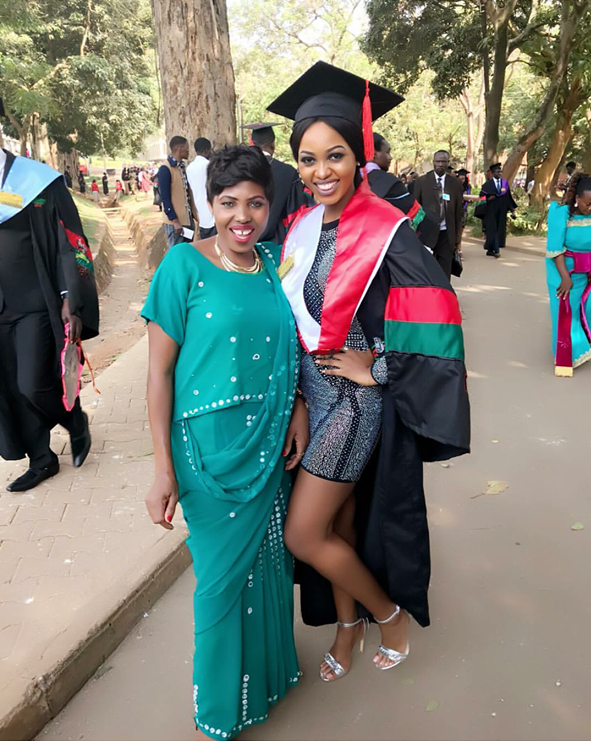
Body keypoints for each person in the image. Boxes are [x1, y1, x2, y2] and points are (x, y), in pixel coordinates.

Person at [267, 62, 470, 681]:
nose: (321, 171)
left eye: (335, 156)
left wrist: (378, 368)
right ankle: (347, 628)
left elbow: (439, 312)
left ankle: (388, 615)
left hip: (355, 405)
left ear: (358, 157)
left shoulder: (386, 228)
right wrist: (300, 401)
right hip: (314, 397)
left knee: (303, 534)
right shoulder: (300, 225)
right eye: (307, 159)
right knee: (339, 523)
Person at [142, 144, 307, 739]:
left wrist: (300, 407)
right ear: (210, 203)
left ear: (270, 206)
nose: (244, 216)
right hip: (205, 452)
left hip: (267, 439)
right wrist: (163, 469)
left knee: (268, 563)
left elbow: (294, 349)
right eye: (229, 202)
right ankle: (216, 708)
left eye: (256, 203)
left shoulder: (272, 265)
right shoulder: (182, 265)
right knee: (216, 582)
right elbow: (159, 376)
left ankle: (265, 679)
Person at [0, 142, 98, 492]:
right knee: (10, 386)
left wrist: (70, 296)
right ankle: (41, 459)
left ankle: (73, 419)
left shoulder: (35, 180)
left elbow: (68, 240)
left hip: (34, 303)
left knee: (31, 383)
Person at [546, 173, 591, 377]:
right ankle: (567, 354)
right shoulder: (561, 213)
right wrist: (565, 277)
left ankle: (586, 343)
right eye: (588, 204)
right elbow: (555, 249)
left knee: (588, 306)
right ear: (577, 198)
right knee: (566, 311)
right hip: (564, 269)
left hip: (587, 270)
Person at [366, 133, 438, 251]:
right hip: (388, 249)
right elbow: (419, 218)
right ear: (374, 154)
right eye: (387, 152)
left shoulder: (351, 181)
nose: (390, 157)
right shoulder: (389, 183)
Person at [243, 122, 311, 245]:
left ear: (252, 142)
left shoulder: (237, 168)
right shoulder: (287, 172)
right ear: (272, 144)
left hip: (243, 241)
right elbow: (295, 214)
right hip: (276, 247)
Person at [414, 150, 464, 278]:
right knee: (426, 271)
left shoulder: (456, 184)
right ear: (433, 162)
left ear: (448, 163)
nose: (440, 164)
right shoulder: (422, 182)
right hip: (427, 235)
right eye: (438, 161)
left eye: (443, 162)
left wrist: (458, 239)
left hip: (446, 235)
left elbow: (459, 213)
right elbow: (415, 209)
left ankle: (445, 296)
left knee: (445, 271)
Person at [157, 136, 198, 249]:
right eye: (187, 147)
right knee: (177, 253)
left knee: (188, 253)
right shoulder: (165, 169)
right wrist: (175, 221)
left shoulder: (182, 167)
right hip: (176, 222)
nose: (188, 150)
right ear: (180, 148)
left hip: (187, 220)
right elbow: (165, 198)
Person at [479, 163, 517, 258]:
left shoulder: (505, 184)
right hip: (490, 212)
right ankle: (496, 250)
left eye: (500, 171)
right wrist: (488, 199)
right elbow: (481, 198)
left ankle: (490, 250)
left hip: (501, 211)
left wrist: (512, 210)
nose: (499, 173)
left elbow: (508, 198)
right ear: (492, 173)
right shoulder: (487, 186)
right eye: (497, 171)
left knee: (499, 230)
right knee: (493, 230)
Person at [185, 137, 217, 240]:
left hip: (201, 216)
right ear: (207, 150)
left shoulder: (189, 168)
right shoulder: (209, 166)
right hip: (214, 216)